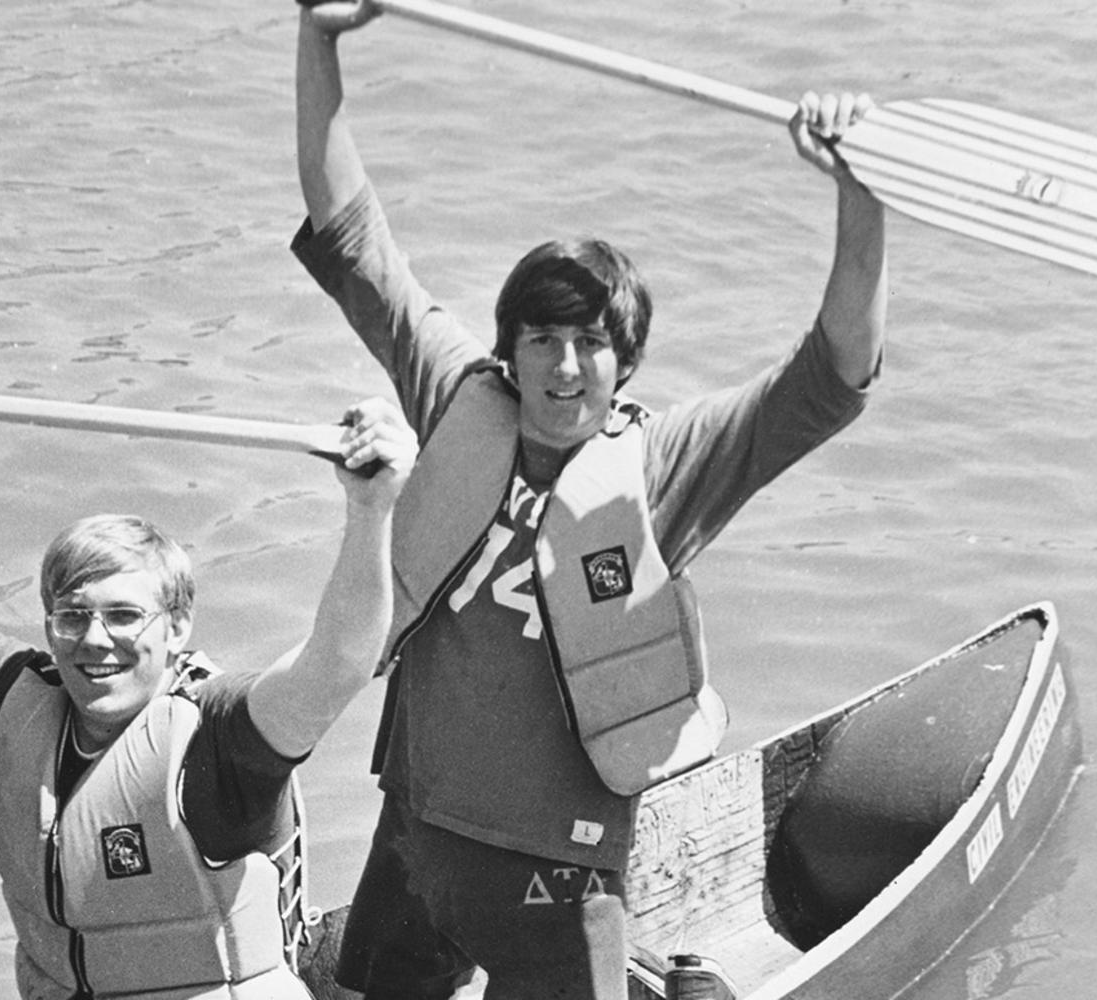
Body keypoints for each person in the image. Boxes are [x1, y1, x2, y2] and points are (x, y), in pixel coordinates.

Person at [289, 2, 888, 998]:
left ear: (626, 360)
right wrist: (319, 37)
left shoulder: (670, 463)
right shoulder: (456, 397)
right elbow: (351, 231)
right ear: (508, 350)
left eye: (593, 343)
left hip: (556, 878)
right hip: (415, 833)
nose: (566, 369)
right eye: (542, 340)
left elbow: (832, 378)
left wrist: (859, 193)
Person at [0, 351, 419, 1000]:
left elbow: (334, 664)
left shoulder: (222, 739)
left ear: (178, 627)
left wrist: (371, 512)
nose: (94, 640)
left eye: (124, 615)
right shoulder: (13, 695)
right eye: (71, 617)